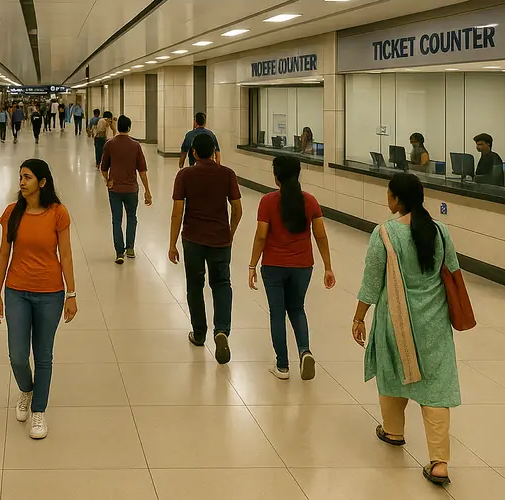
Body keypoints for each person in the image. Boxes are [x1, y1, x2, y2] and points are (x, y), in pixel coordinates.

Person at [353, 173, 462, 487]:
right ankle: (439, 463)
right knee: (436, 386)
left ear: (397, 199)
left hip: (396, 319)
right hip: (435, 321)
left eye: (389, 195)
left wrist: (359, 317)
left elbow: (372, 282)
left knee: (393, 369)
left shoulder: (385, 234)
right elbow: (452, 271)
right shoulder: (440, 231)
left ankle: (393, 431)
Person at [0, 159, 78, 440]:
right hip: (16, 290)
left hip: (50, 293)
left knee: (43, 355)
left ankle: (38, 410)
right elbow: (3, 255)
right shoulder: (12, 213)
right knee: (17, 355)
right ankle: (26, 390)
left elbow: (65, 255)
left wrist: (72, 293)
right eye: (20, 177)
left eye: (27, 177)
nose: (21, 182)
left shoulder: (58, 213)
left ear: (42, 182)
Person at [247, 156, 335, 381]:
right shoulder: (310, 201)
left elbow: (261, 236)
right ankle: (304, 351)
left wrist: (252, 264)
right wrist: (328, 267)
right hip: (302, 266)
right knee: (297, 309)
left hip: (273, 266)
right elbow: (321, 235)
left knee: (277, 313)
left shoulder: (267, 201)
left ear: (276, 177)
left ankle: (283, 366)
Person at [168, 133, 243, 365]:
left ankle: (199, 333)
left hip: (193, 240)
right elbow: (238, 209)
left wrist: (172, 244)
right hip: (220, 239)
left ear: (193, 152)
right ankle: (221, 330)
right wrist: (230, 233)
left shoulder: (185, 175)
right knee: (221, 284)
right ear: (213, 152)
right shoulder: (227, 174)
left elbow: (177, 212)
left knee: (195, 285)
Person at [100, 115, 152, 264]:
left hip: (114, 189)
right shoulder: (135, 146)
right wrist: (147, 191)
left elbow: (104, 168)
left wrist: (108, 180)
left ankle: (119, 252)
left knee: (116, 220)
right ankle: (130, 248)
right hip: (131, 189)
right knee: (132, 217)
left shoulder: (110, 144)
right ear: (129, 128)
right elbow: (142, 171)